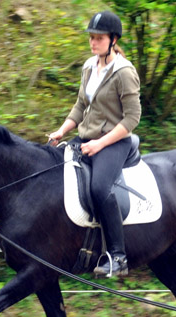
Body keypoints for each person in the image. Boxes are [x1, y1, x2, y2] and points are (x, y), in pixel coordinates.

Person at [49, 10, 141, 278]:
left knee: (100, 188)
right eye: (91, 38)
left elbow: (133, 118)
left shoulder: (125, 72)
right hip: (86, 137)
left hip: (115, 141)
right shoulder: (89, 66)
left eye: (98, 38)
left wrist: (100, 144)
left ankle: (118, 256)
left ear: (113, 39)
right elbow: (80, 106)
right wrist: (61, 130)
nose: (93, 43)